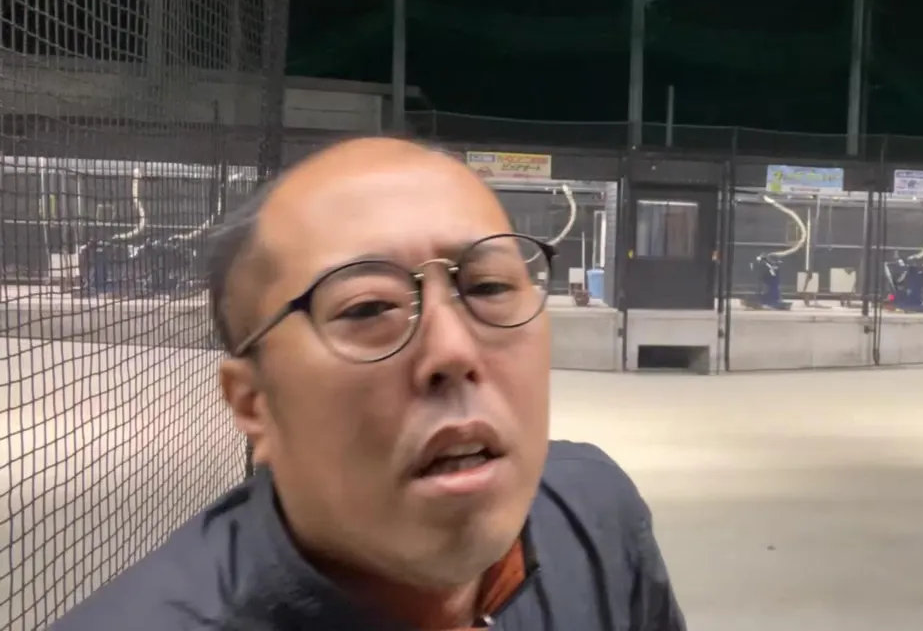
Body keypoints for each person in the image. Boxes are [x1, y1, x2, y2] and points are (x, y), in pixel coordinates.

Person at [53, 138, 685, 630]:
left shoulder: (595, 519)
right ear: (254, 404)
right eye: (368, 308)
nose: (453, 350)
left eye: (489, 286)